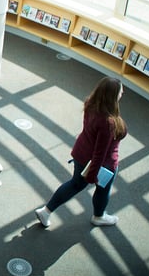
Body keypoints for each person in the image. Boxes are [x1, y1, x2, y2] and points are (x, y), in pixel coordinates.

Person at [34, 77, 128, 228]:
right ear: (111, 95)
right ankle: (99, 216)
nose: (122, 92)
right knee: (102, 191)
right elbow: (100, 153)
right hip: (103, 165)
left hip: (81, 154)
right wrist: (92, 175)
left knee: (74, 184)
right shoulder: (108, 123)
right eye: (120, 91)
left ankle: (46, 211)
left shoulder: (91, 104)